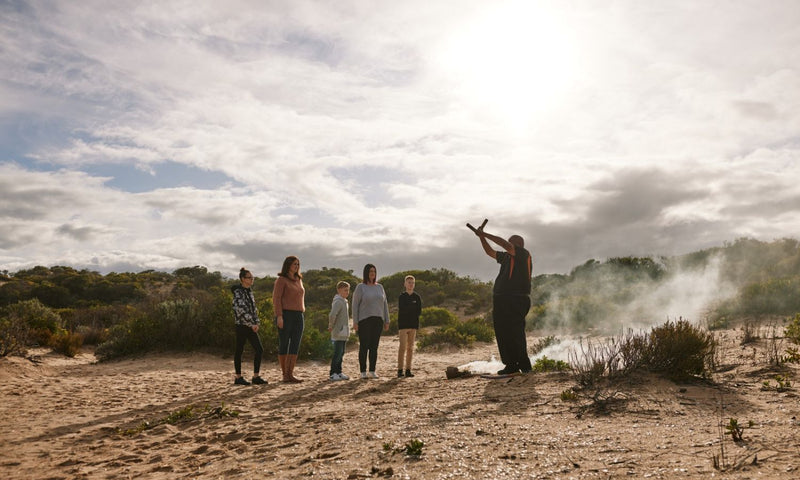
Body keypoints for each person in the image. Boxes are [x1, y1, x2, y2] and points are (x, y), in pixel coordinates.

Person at [473, 225, 533, 375]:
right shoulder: (506, 257)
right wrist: (481, 238)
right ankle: (511, 365)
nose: (508, 245)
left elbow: (503, 244)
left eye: (511, 243)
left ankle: (525, 366)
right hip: (501, 299)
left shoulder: (523, 254)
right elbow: (490, 252)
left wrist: (484, 233)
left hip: (516, 299)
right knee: (502, 332)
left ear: (518, 244)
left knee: (516, 332)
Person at [351, 263, 390, 379]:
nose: (372, 273)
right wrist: (355, 321)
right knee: (364, 346)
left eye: (374, 271)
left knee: (374, 346)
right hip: (364, 320)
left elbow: (385, 305)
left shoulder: (380, 287)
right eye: (370, 271)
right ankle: (363, 371)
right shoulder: (360, 287)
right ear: (366, 273)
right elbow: (355, 305)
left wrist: (387, 320)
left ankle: (372, 370)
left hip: (378, 320)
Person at [273, 255, 306, 383]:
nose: (296, 266)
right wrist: (279, 316)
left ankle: (290, 373)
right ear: (288, 265)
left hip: (299, 315)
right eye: (294, 264)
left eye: (298, 264)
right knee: (284, 343)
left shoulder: (299, 279)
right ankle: (285, 374)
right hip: (286, 315)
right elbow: (276, 299)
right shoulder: (281, 280)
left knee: (295, 344)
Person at [231, 268, 267, 385]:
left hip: (252, 326)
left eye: (252, 277)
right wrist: (251, 323)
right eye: (249, 277)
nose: (252, 279)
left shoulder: (250, 292)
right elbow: (239, 310)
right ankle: (238, 377)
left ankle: (256, 376)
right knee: (239, 350)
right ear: (242, 279)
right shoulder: (238, 292)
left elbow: (253, 309)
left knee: (259, 349)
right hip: (242, 326)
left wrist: (256, 322)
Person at [397, 275, 422, 378]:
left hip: (413, 325)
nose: (411, 284)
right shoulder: (402, 296)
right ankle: (399, 370)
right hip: (403, 325)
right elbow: (403, 309)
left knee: (410, 348)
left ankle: (408, 369)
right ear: (405, 284)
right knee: (402, 347)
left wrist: (411, 309)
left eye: (412, 283)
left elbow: (419, 311)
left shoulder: (417, 297)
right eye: (409, 282)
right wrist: (411, 308)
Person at [328, 281, 351, 381]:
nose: (347, 292)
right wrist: (330, 326)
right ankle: (333, 373)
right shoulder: (338, 301)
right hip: (337, 332)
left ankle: (339, 372)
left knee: (341, 353)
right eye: (345, 290)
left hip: (344, 332)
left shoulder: (344, 301)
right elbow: (332, 315)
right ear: (339, 290)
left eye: (348, 290)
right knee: (337, 353)